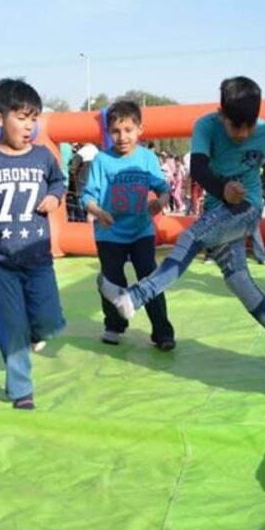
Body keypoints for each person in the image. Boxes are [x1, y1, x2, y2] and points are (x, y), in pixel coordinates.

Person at [98, 76, 265, 378]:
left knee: (191, 237)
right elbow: (199, 168)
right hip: (219, 212)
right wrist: (223, 187)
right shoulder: (206, 126)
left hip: (246, 209)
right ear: (221, 114)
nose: (243, 134)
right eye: (236, 126)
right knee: (239, 282)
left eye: (249, 126)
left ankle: (134, 297)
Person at [0, 79, 66, 410]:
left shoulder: (43, 156)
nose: (28, 126)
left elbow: (58, 181)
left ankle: (37, 334)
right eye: (21, 118)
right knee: (12, 325)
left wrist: (54, 197)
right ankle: (21, 389)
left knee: (51, 321)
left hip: (38, 256)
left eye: (33, 119)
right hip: (3, 259)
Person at [81, 101, 176, 350]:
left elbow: (163, 188)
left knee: (150, 278)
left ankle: (162, 331)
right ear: (108, 132)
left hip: (141, 230)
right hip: (109, 232)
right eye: (115, 131)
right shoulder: (101, 160)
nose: (122, 137)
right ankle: (114, 325)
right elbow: (87, 195)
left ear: (140, 129)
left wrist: (161, 201)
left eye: (128, 130)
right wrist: (97, 211)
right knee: (112, 281)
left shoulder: (147, 158)